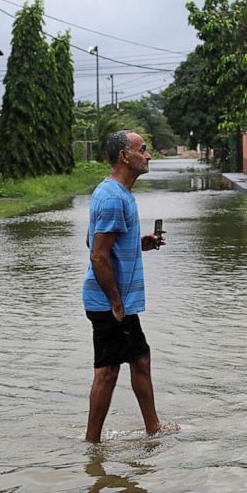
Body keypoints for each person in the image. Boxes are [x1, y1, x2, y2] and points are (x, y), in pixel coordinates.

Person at [82, 130, 166, 443]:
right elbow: (97, 255)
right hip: (109, 301)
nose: (148, 156)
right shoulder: (113, 198)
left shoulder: (118, 194)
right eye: (142, 150)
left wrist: (139, 243)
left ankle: (153, 428)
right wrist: (116, 302)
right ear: (124, 156)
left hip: (118, 299)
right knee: (107, 371)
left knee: (140, 358)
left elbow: (95, 242)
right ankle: (92, 445)